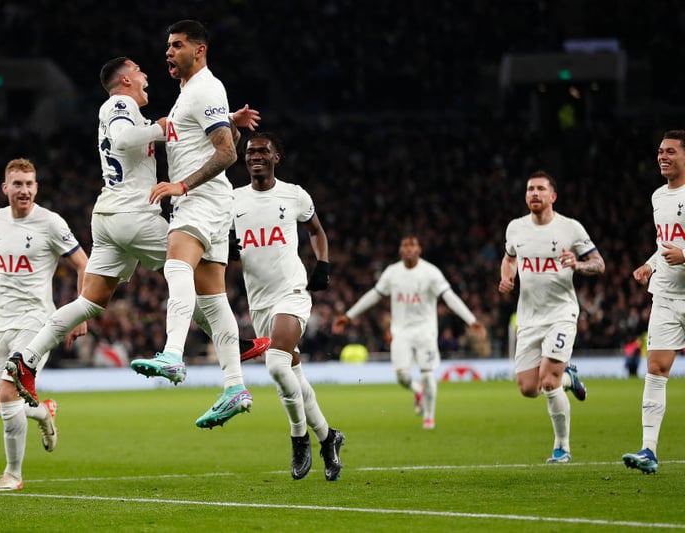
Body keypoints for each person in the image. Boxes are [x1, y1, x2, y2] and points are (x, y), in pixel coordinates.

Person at [5, 57, 268, 407]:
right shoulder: (119, 103)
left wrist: (223, 119)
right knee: (188, 269)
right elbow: (122, 139)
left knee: (89, 302)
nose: (147, 76)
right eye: (140, 72)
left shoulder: (128, 109)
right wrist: (162, 128)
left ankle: (27, 359)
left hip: (111, 217)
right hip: (133, 215)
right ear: (126, 79)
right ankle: (226, 345)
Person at [130, 20, 258, 429]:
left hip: (200, 199)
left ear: (199, 50)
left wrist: (180, 185)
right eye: (167, 46)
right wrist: (232, 122)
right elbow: (223, 141)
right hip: (214, 203)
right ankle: (234, 386)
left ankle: (172, 355)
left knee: (175, 265)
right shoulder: (195, 92)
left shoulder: (204, 88)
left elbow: (227, 156)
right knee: (213, 300)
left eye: (177, 45)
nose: (168, 52)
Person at [0, 158, 88, 491]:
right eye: (18, 184)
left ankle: (13, 474)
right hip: (1, 322)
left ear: (36, 187)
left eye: (29, 184)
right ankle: (41, 412)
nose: (24, 190)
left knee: (9, 389)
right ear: (5, 187)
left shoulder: (51, 223)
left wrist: (80, 313)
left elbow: (83, 264)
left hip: (35, 322)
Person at [232, 132, 345, 480]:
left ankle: (299, 438)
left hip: (292, 292)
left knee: (277, 365)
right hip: (260, 302)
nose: (255, 156)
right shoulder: (231, 200)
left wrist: (322, 264)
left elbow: (316, 230)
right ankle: (328, 437)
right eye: (250, 152)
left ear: (276, 158)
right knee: (292, 376)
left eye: (263, 151)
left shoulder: (293, 195)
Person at [498, 170, 604, 463]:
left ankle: (562, 447)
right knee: (528, 388)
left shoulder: (570, 228)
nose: (534, 193)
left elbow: (599, 264)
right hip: (529, 318)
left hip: (561, 313)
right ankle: (569, 379)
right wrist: (507, 278)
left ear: (552, 196)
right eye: (530, 188)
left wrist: (579, 265)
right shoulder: (516, 229)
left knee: (547, 381)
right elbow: (509, 259)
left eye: (541, 189)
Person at [333, 235, 486, 430]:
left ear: (419, 249)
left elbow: (450, 297)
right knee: (402, 376)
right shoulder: (392, 272)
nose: (408, 249)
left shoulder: (431, 273)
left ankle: (429, 418)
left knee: (427, 373)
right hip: (401, 332)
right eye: (405, 245)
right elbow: (374, 295)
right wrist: (348, 315)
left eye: (412, 245)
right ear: (400, 250)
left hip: (426, 331)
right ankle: (417, 390)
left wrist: (471, 320)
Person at [623, 129, 685, 474]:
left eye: (671, 151)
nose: (662, 156)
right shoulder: (658, 197)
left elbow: (681, 247)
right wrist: (650, 264)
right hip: (665, 295)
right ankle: (649, 450)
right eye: (660, 151)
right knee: (656, 370)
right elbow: (666, 243)